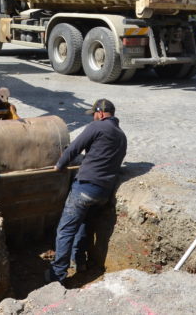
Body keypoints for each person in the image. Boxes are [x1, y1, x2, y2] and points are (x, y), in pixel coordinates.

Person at [45, 98, 127, 283]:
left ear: (100, 113)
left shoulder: (97, 127)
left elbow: (74, 148)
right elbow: (103, 157)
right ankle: (79, 262)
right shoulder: (121, 136)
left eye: (94, 115)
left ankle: (57, 275)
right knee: (82, 225)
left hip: (85, 188)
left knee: (65, 230)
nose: (93, 118)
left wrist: (60, 165)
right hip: (103, 193)